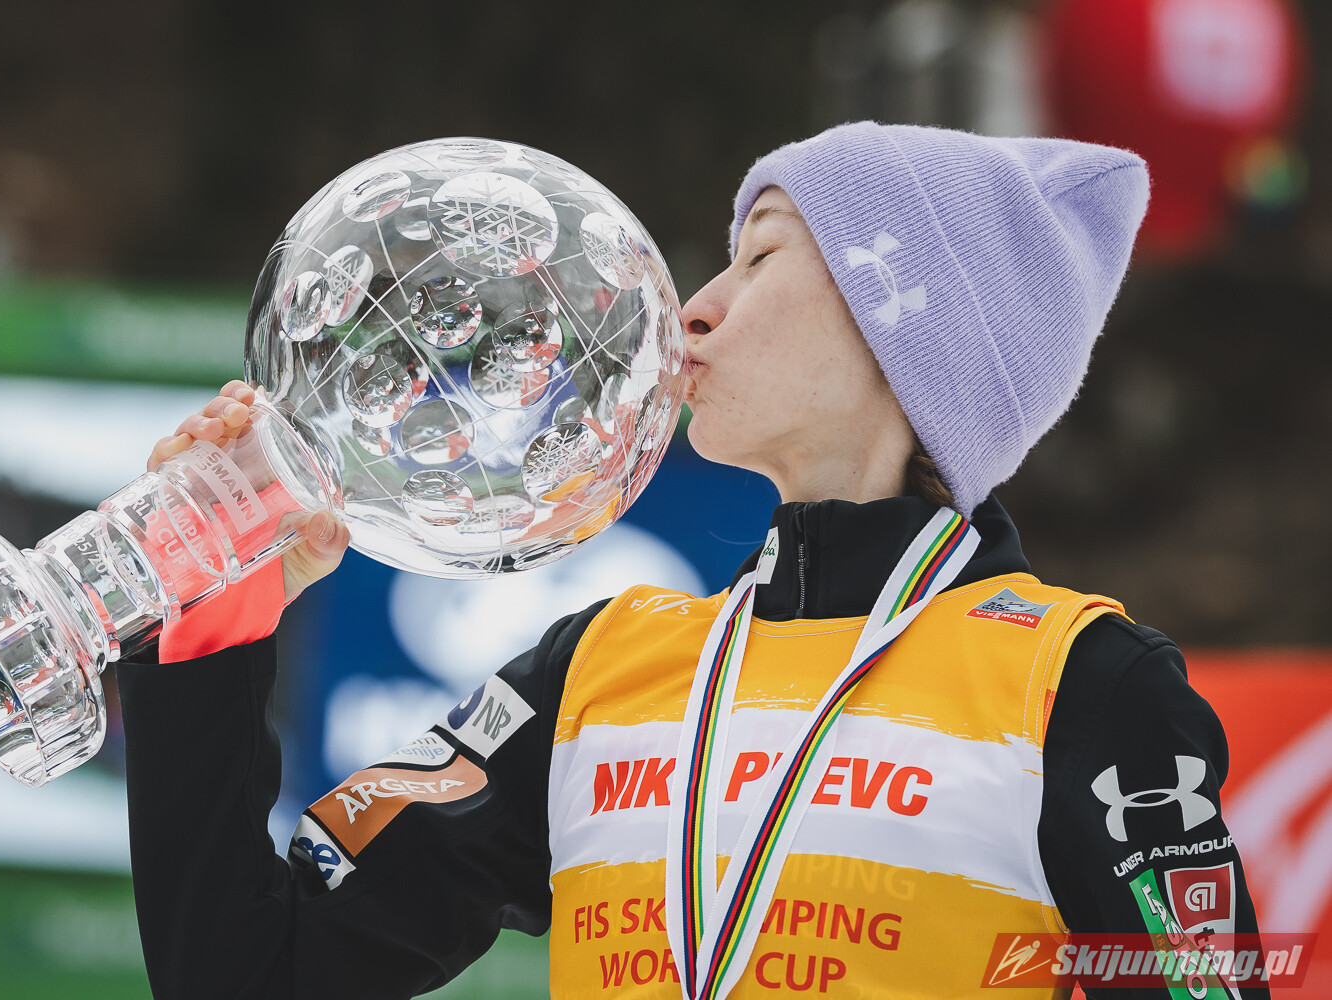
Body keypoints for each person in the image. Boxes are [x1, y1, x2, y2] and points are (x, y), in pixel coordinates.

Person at [120, 123, 1266, 998]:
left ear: (908, 332)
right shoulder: (596, 672)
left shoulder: (1078, 685)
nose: (698, 310)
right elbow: (245, 970)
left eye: (760, 258)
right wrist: (210, 627)